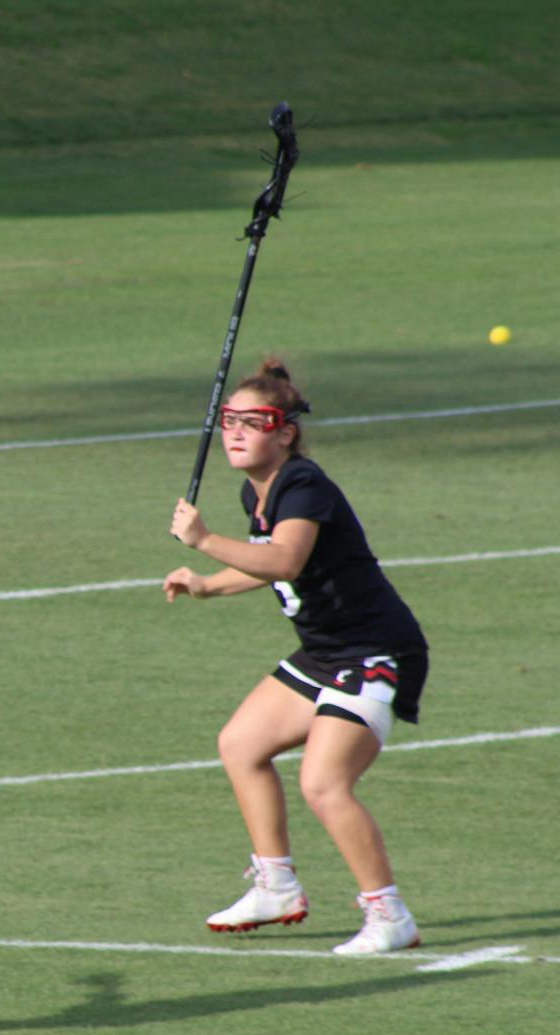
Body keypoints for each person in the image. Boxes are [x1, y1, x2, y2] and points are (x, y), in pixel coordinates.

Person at [163, 359, 429, 954]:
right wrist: (209, 582)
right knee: (240, 744)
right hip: (325, 652)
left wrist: (204, 540)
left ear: (284, 432)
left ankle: (389, 916)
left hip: (375, 650)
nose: (235, 432)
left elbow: (284, 560)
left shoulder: (303, 485)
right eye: (229, 420)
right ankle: (276, 886)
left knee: (324, 783)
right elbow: (268, 565)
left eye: (253, 422)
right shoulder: (255, 489)